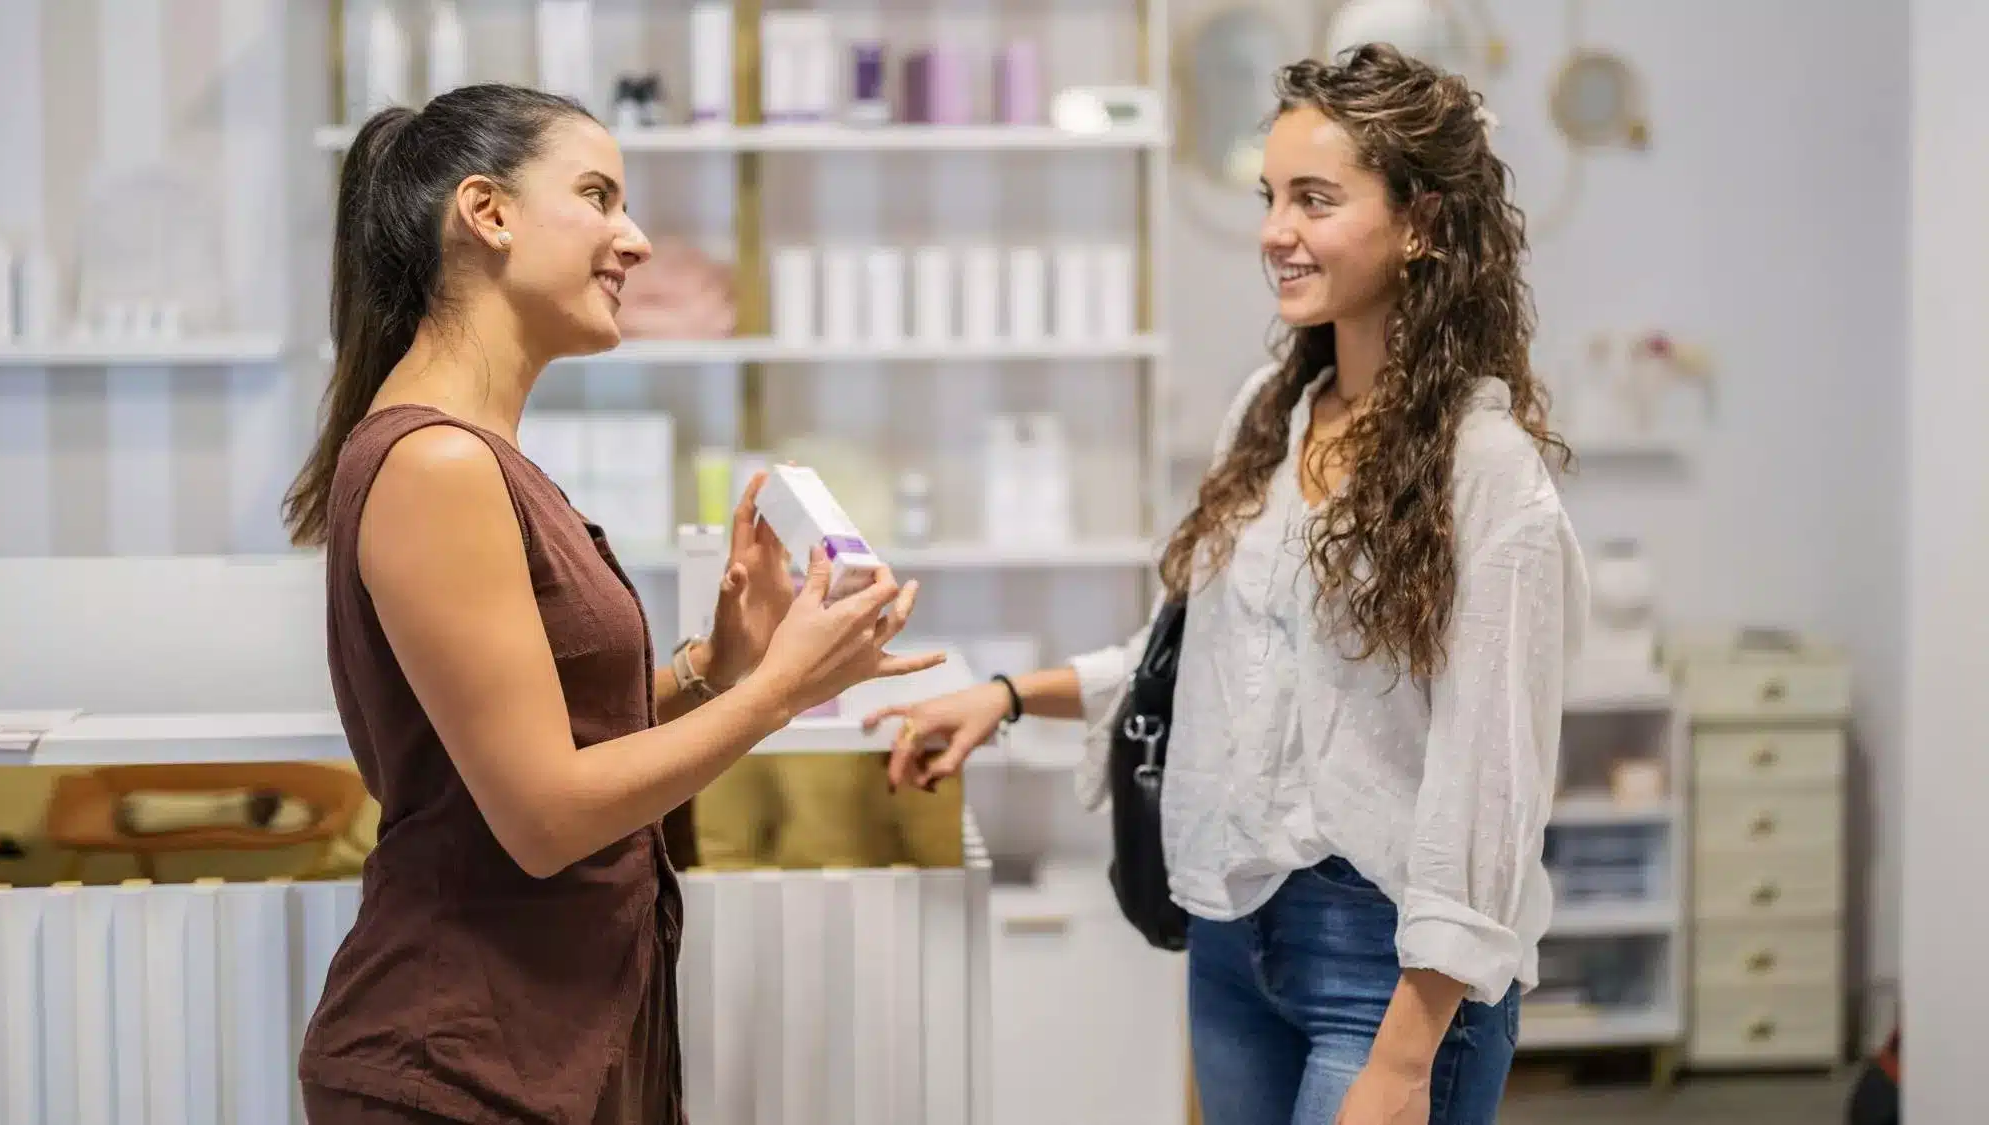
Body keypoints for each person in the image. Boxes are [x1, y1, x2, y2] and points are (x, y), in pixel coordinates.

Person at [864, 46, 1587, 1125]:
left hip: (1387, 969)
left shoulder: (1483, 474)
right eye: (1267, 197)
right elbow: (1200, 662)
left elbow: (1492, 786)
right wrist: (1007, 698)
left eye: (1313, 199)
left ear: (1422, 222)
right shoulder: (1271, 411)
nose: (1273, 232)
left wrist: (1401, 1063)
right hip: (1232, 934)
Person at [283, 84, 941, 1125]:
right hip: (457, 1067)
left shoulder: (478, 459)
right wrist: (775, 693)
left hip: (553, 1050)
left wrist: (712, 671)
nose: (634, 240)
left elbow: (553, 736)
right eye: (597, 196)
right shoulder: (439, 464)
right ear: (486, 214)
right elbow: (544, 816)